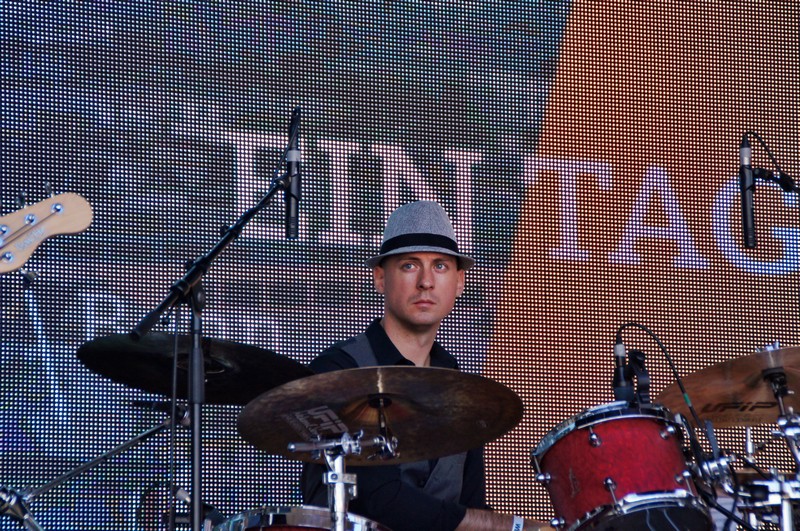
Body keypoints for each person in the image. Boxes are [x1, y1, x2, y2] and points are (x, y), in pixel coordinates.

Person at [301, 201, 551, 531]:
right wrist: (515, 526)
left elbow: (471, 505)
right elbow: (379, 500)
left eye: (440, 266)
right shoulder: (339, 371)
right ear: (380, 278)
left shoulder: (462, 387)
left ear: (459, 282)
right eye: (409, 265)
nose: (426, 282)